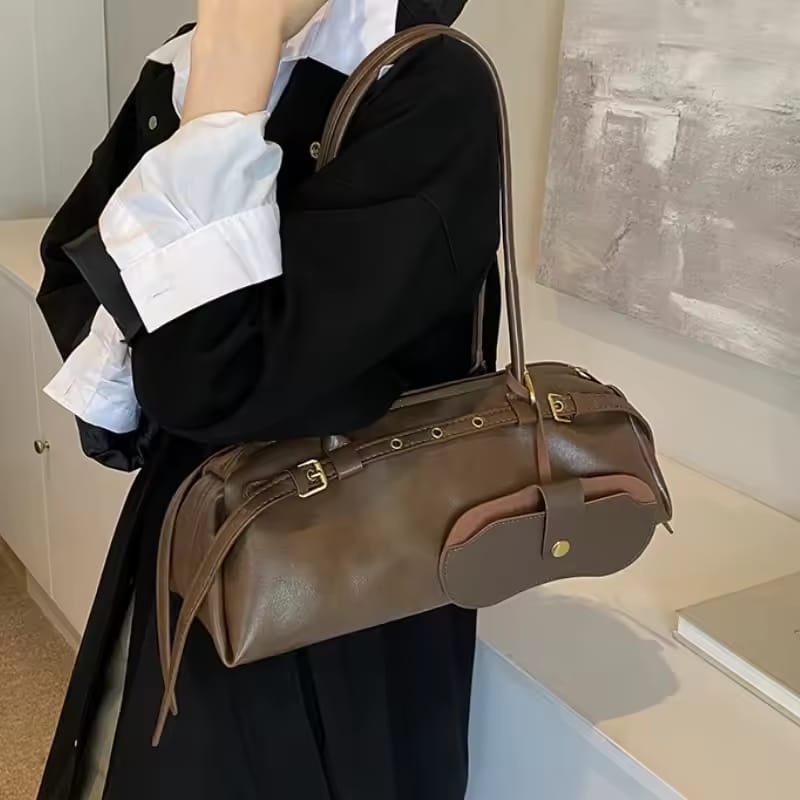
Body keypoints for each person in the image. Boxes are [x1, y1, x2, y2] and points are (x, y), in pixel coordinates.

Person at [36, 0, 501, 798]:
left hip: (347, 555)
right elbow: (75, 272)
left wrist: (229, 91)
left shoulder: (425, 82)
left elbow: (212, 378)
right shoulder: (187, 59)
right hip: (197, 521)